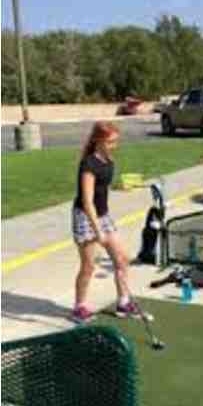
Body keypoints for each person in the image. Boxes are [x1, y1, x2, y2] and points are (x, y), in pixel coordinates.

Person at [71, 121, 135, 323]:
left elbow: (102, 188)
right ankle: (79, 307)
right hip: (86, 216)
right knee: (89, 266)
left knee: (122, 259)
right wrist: (97, 230)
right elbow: (88, 200)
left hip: (103, 215)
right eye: (110, 141)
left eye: (116, 141)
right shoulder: (88, 164)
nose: (114, 145)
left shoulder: (109, 160)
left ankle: (123, 303)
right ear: (99, 141)